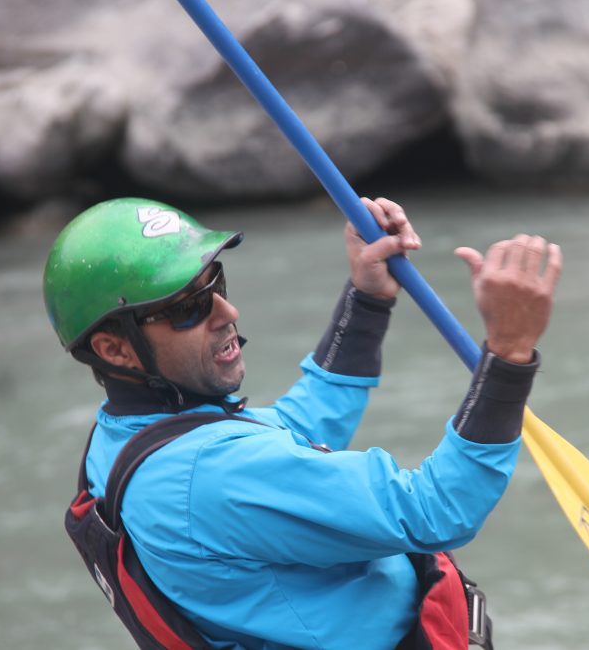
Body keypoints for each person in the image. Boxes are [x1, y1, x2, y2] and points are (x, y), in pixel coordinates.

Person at [43, 195, 562, 650]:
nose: (227, 311)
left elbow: (294, 429)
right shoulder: (210, 475)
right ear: (115, 349)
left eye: (215, 283)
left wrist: (368, 298)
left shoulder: (126, 436)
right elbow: (435, 510)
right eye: (189, 307)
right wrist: (509, 354)